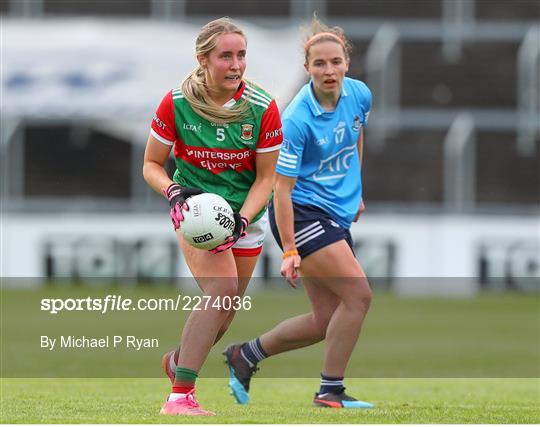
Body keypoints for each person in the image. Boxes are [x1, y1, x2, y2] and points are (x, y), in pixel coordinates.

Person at [223, 16, 374, 409]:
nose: (329, 70)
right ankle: (330, 390)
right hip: (301, 214)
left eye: (335, 62)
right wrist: (289, 250)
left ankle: (246, 355)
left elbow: (355, 138)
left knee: (324, 321)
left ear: (347, 63)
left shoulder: (359, 95)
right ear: (306, 68)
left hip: (333, 214)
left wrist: (355, 192)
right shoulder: (296, 120)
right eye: (319, 64)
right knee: (358, 296)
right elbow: (281, 190)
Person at [143, 17, 282, 416]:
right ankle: (180, 396)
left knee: (222, 318)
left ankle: (177, 361)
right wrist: (172, 191)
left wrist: (241, 219)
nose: (236, 64)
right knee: (219, 291)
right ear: (203, 59)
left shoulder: (262, 107)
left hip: (243, 218)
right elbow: (151, 164)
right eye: (226, 55)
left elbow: (267, 179)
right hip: (195, 214)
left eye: (241, 55)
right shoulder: (177, 103)